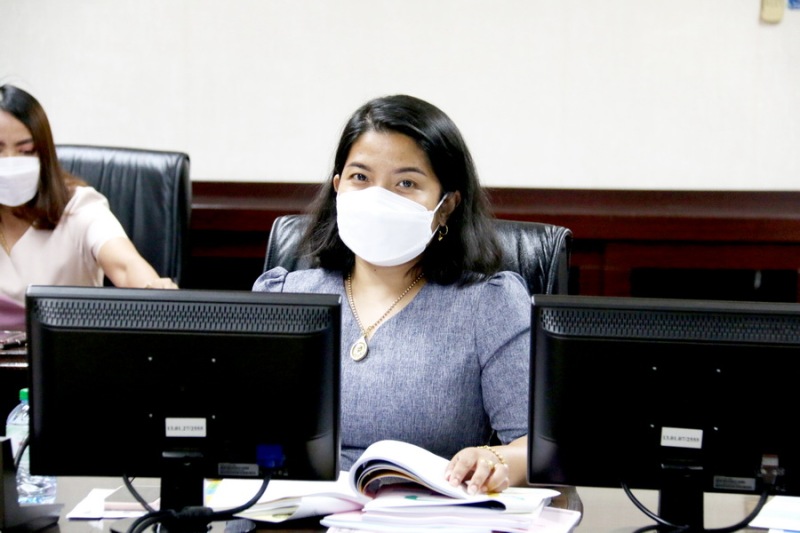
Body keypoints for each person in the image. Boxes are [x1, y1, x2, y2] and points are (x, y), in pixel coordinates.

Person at [253, 94, 530, 495]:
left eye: (406, 183)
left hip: (424, 514)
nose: (377, 199)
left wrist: (496, 460)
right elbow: (242, 434)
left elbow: (534, 445)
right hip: (294, 513)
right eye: (360, 177)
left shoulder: (489, 304)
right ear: (337, 188)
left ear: (446, 206)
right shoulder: (282, 296)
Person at [0, 84, 176, 330]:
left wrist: (153, 289)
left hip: (64, 352)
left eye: (26, 151)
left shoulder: (79, 207)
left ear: (44, 154)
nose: (10, 162)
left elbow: (125, 265)